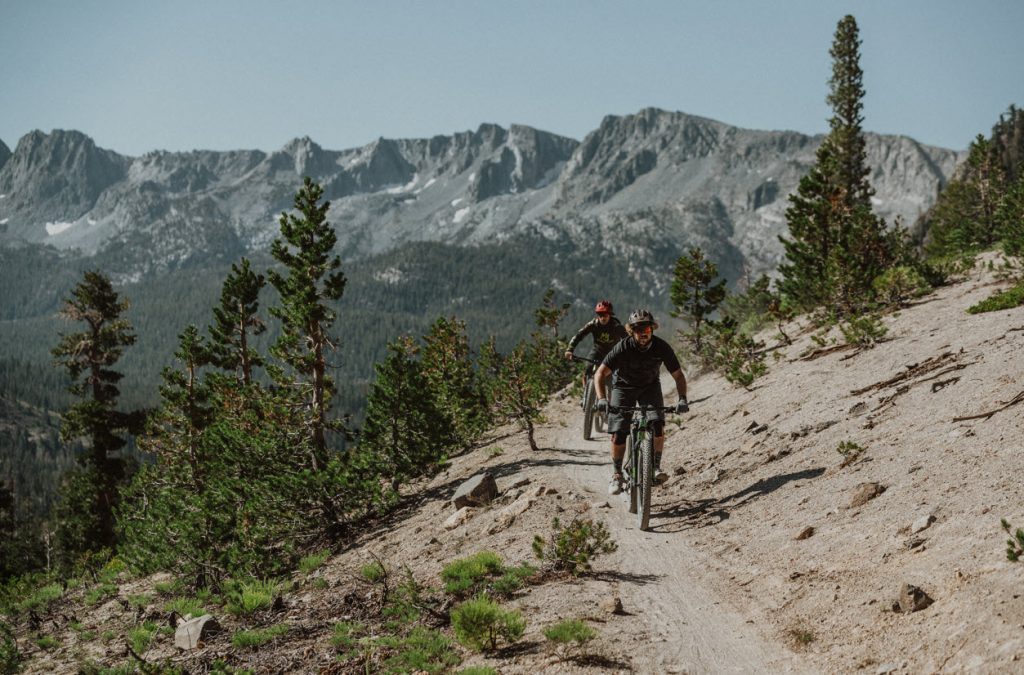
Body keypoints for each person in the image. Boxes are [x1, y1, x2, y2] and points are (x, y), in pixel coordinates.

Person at [594, 309, 688, 495]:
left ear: (652, 329)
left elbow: (678, 376)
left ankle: (654, 467)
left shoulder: (662, 347)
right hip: (623, 387)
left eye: (646, 328)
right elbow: (600, 374)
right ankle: (617, 474)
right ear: (631, 331)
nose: (642, 332)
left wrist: (683, 399)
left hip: (649, 387)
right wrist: (602, 399)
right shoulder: (622, 347)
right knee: (619, 432)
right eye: (637, 329)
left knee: (658, 424)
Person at [564, 300, 628, 399]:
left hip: (612, 353)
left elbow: (627, 341)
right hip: (597, 351)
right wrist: (570, 349)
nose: (602, 317)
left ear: (610, 314)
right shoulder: (593, 324)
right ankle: (586, 394)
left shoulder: (616, 326)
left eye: (605, 314)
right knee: (587, 369)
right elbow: (578, 335)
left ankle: (610, 405)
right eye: (600, 314)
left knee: (611, 381)